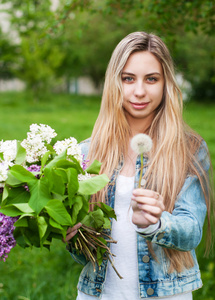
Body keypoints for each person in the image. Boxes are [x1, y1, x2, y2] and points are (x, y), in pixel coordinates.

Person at [65, 32, 213, 299]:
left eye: (151, 79)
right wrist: (75, 238)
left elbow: (192, 231)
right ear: (115, 82)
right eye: (128, 78)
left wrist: (156, 224)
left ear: (166, 82)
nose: (140, 91)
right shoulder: (88, 151)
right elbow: (83, 255)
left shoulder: (189, 149)